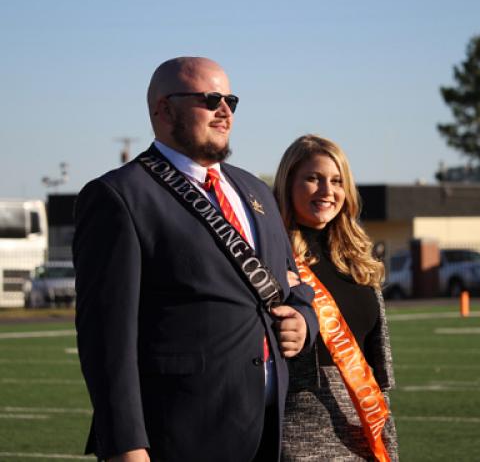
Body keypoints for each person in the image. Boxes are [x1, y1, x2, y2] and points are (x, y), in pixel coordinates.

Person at [73, 57, 318, 462]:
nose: (225, 110)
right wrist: (126, 446)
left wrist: (304, 321)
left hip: (266, 431)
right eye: (210, 99)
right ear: (164, 109)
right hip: (178, 436)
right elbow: (106, 341)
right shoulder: (120, 196)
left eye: (231, 100)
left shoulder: (255, 190)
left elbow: (293, 283)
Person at [273, 134, 398, 461]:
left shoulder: (358, 259)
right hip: (297, 430)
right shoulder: (271, 256)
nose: (327, 191)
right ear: (288, 184)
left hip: (364, 427)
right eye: (313, 179)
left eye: (336, 181)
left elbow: (377, 363)